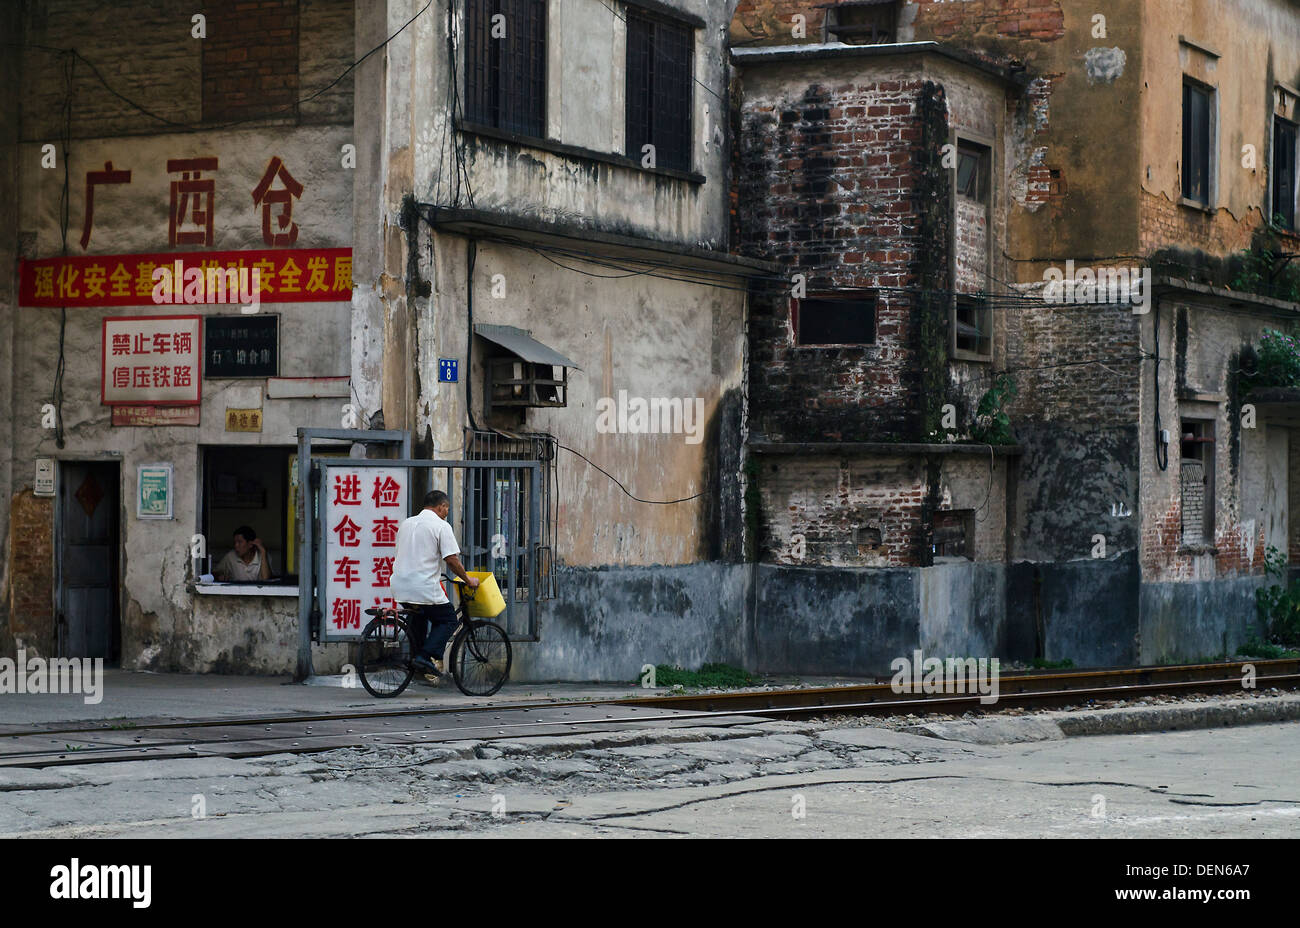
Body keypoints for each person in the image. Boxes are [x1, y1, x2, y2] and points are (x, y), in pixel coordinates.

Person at [389, 490, 478, 676]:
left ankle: (417, 665)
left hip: (399, 585)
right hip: (422, 586)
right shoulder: (440, 526)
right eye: (446, 508)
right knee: (448, 620)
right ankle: (426, 656)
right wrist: (468, 579)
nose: (447, 512)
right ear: (441, 506)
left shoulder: (406, 523)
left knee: (419, 618)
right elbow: (451, 559)